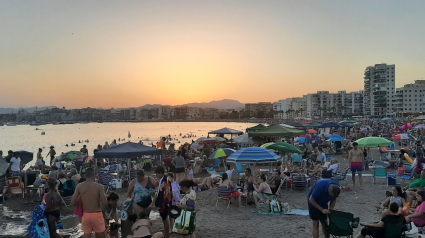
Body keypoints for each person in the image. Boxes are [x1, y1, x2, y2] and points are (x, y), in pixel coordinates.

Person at [71, 168, 108, 238]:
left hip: (86, 215)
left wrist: (80, 203)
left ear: (85, 176)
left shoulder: (79, 186)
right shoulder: (99, 187)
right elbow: (105, 203)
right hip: (97, 214)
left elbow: (72, 203)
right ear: (94, 175)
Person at [154, 166, 170, 238]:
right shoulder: (165, 179)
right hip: (166, 202)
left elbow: (162, 193)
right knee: (165, 219)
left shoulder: (164, 180)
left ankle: (167, 235)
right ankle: (167, 234)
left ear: (160, 173)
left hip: (164, 202)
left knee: (165, 219)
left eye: (157, 174)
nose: (157, 176)